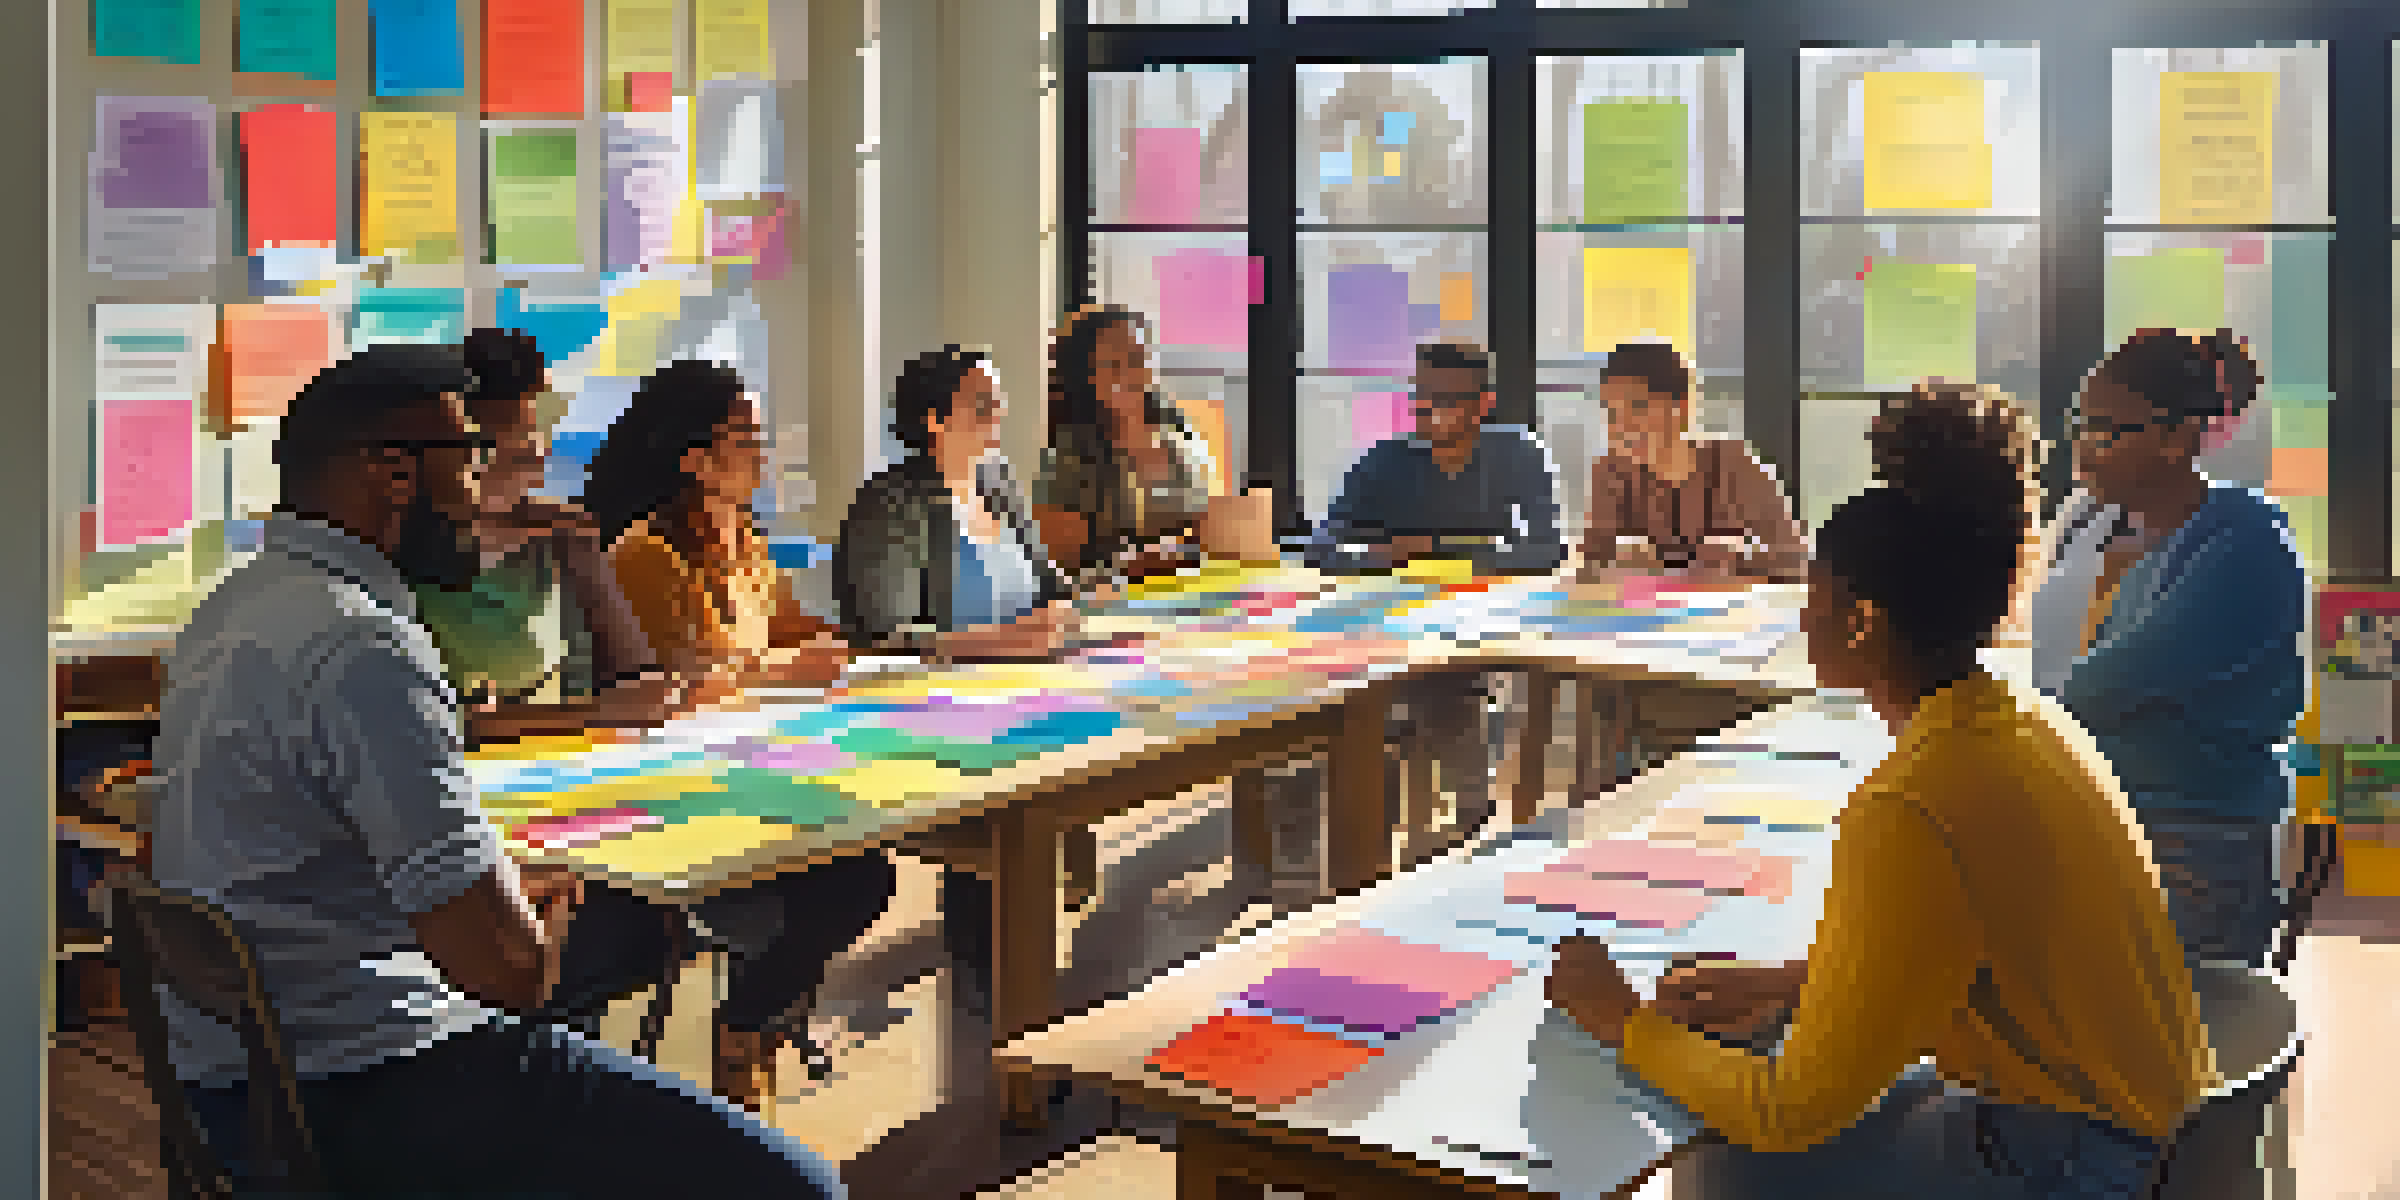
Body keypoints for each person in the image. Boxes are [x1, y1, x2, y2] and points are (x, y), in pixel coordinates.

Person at [153, 343, 847, 1196]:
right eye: (472, 457)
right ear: (393, 471)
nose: (481, 490)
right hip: (370, 1084)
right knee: (799, 1187)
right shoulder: (363, 645)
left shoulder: (228, 611)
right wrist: (530, 907)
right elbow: (509, 973)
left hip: (240, 1085)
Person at [1547, 380, 2213, 1197]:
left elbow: (1788, 1112)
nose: (1801, 620)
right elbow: (1980, 952)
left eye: (1815, 599)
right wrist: (1797, 985)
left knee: (1726, 1161)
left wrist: (1620, 1019)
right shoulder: (2024, 727)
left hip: (2082, 1162)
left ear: (1862, 621)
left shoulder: (1911, 803)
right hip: (2159, 1140)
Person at [575, 359, 901, 1109]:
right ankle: (745, 1030)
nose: (761, 453)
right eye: (744, 438)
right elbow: (682, 683)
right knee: (853, 876)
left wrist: (846, 648)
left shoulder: (746, 543)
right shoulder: (645, 556)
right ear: (693, 458)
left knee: (863, 866)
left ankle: (751, 1024)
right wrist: (783, 669)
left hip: (765, 768)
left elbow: (787, 629)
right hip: (683, 792)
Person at [2026, 328, 2305, 969]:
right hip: (2100, 811)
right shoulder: (2090, 520)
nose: (2082, 447)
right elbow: (2046, 652)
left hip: (2192, 837)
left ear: (2176, 438)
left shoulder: (2242, 540)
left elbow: (2108, 686)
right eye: (2079, 425)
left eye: (2105, 430)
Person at [835, 346, 1077, 1017]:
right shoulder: (890, 506)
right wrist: (1012, 644)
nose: (998, 412)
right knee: (1001, 853)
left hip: (1029, 699)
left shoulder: (997, 482)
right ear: (934, 418)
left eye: (995, 398)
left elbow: (1050, 584)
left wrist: (1069, 608)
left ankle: (1019, 1001)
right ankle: (1007, 1008)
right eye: (981, 401)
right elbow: (885, 635)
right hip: (940, 715)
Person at [1308, 340, 1566, 865]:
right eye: (1420, 399)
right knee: (1354, 709)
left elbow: (1546, 547)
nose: (1428, 413)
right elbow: (1322, 545)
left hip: (1472, 626)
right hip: (1382, 628)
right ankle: (1361, 851)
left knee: (1450, 701)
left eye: (1444, 400)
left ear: (1482, 404)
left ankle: (1461, 831)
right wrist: (1380, 556)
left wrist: (1443, 553)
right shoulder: (1386, 461)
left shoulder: (1516, 453)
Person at [413, 327, 687, 743]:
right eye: (507, 451)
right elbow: (430, 721)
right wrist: (589, 714)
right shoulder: (395, 552)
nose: (534, 458)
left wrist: (587, 566)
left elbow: (642, 688)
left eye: (533, 442)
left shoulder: (554, 537)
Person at [1032, 303, 1276, 587]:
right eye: (1114, 365)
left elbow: (1214, 526)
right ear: (1086, 378)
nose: (1133, 375)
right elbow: (1057, 569)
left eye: (1139, 359)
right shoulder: (1064, 463)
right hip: (1111, 612)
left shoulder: (1182, 440)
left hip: (1193, 602)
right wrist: (1131, 566)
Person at [1579, 341, 1807, 580]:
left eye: (1638, 406)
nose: (1622, 426)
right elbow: (1591, 567)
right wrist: (1622, 562)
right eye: (1612, 412)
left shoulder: (1732, 465)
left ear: (1681, 406)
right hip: (1643, 613)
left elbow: (1793, 557)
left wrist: (1737, 561)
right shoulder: (1610, 472)